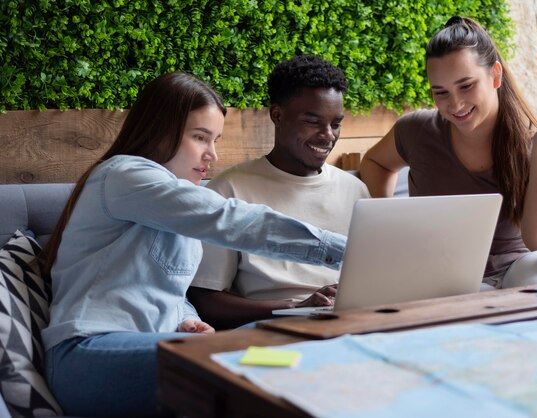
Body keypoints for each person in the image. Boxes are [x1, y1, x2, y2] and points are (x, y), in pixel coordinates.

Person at [40, 72, 347, 418]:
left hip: (146, 347)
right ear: (160, 130)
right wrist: (349, 252)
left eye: (215, 140)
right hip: (88, 354)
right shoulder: (124, 175)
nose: (212, 155)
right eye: (200, 137)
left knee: (283, 338)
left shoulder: (173, 199)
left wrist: (184, 318)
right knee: (244, 354)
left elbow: (163, 286)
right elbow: (235, 221)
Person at [360, 16, 537, 290]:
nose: (455, 104)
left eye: (466, 86)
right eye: (441, 92)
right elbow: (375, 162)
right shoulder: (417, 130)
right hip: (441, 275)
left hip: (515, 278)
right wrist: (390, 221)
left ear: (495, 75)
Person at [187, 56, 370, 330]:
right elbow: (206, 300)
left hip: (357, 323)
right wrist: (295, 309)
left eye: (335, 123)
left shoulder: (355, 190)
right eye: (313, 121)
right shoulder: (229, 190)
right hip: (277, 329)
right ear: (277, 115)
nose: (328, 135)